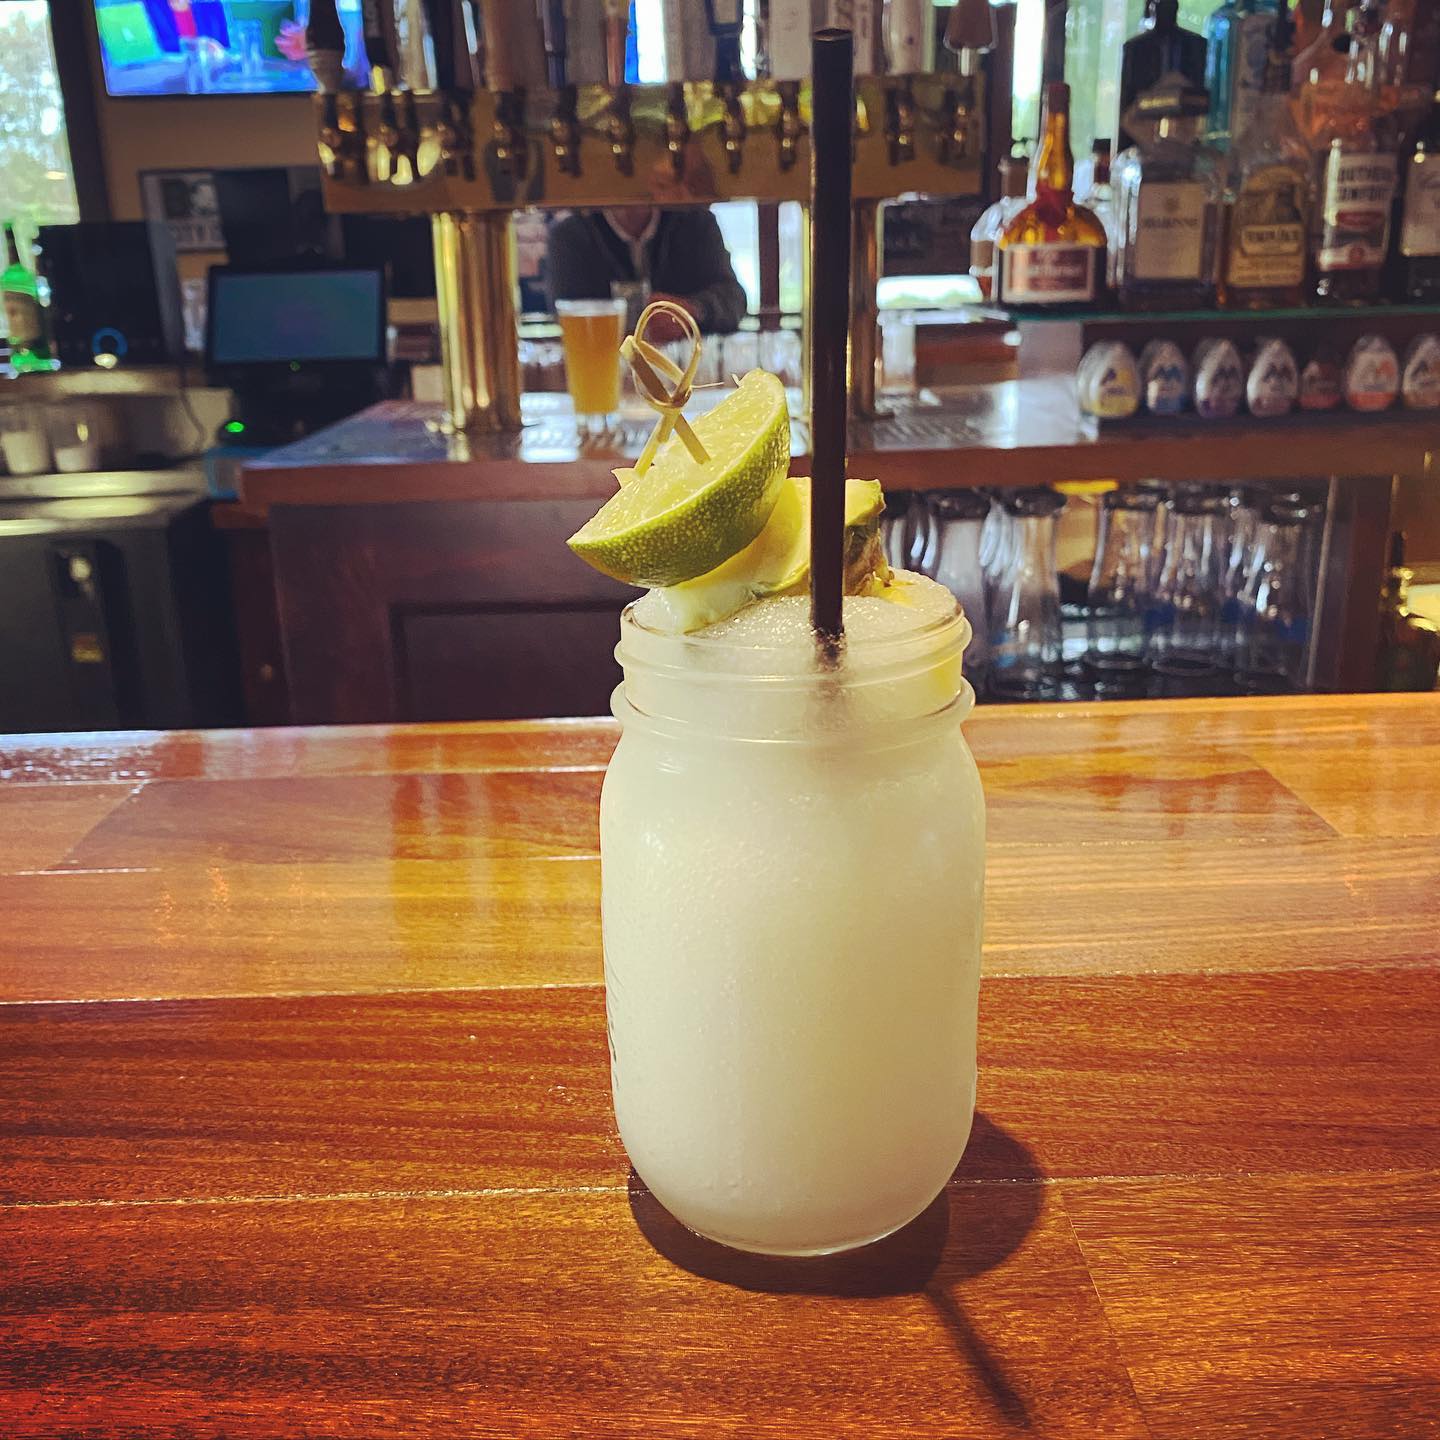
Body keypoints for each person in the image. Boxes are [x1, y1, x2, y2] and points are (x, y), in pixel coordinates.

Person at [546, 206, 748, 338]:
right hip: (603, 371)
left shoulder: (695, 222)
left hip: (685, 373)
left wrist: (693, 311)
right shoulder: (571, 234)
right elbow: (563, 311)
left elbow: (734, 299)